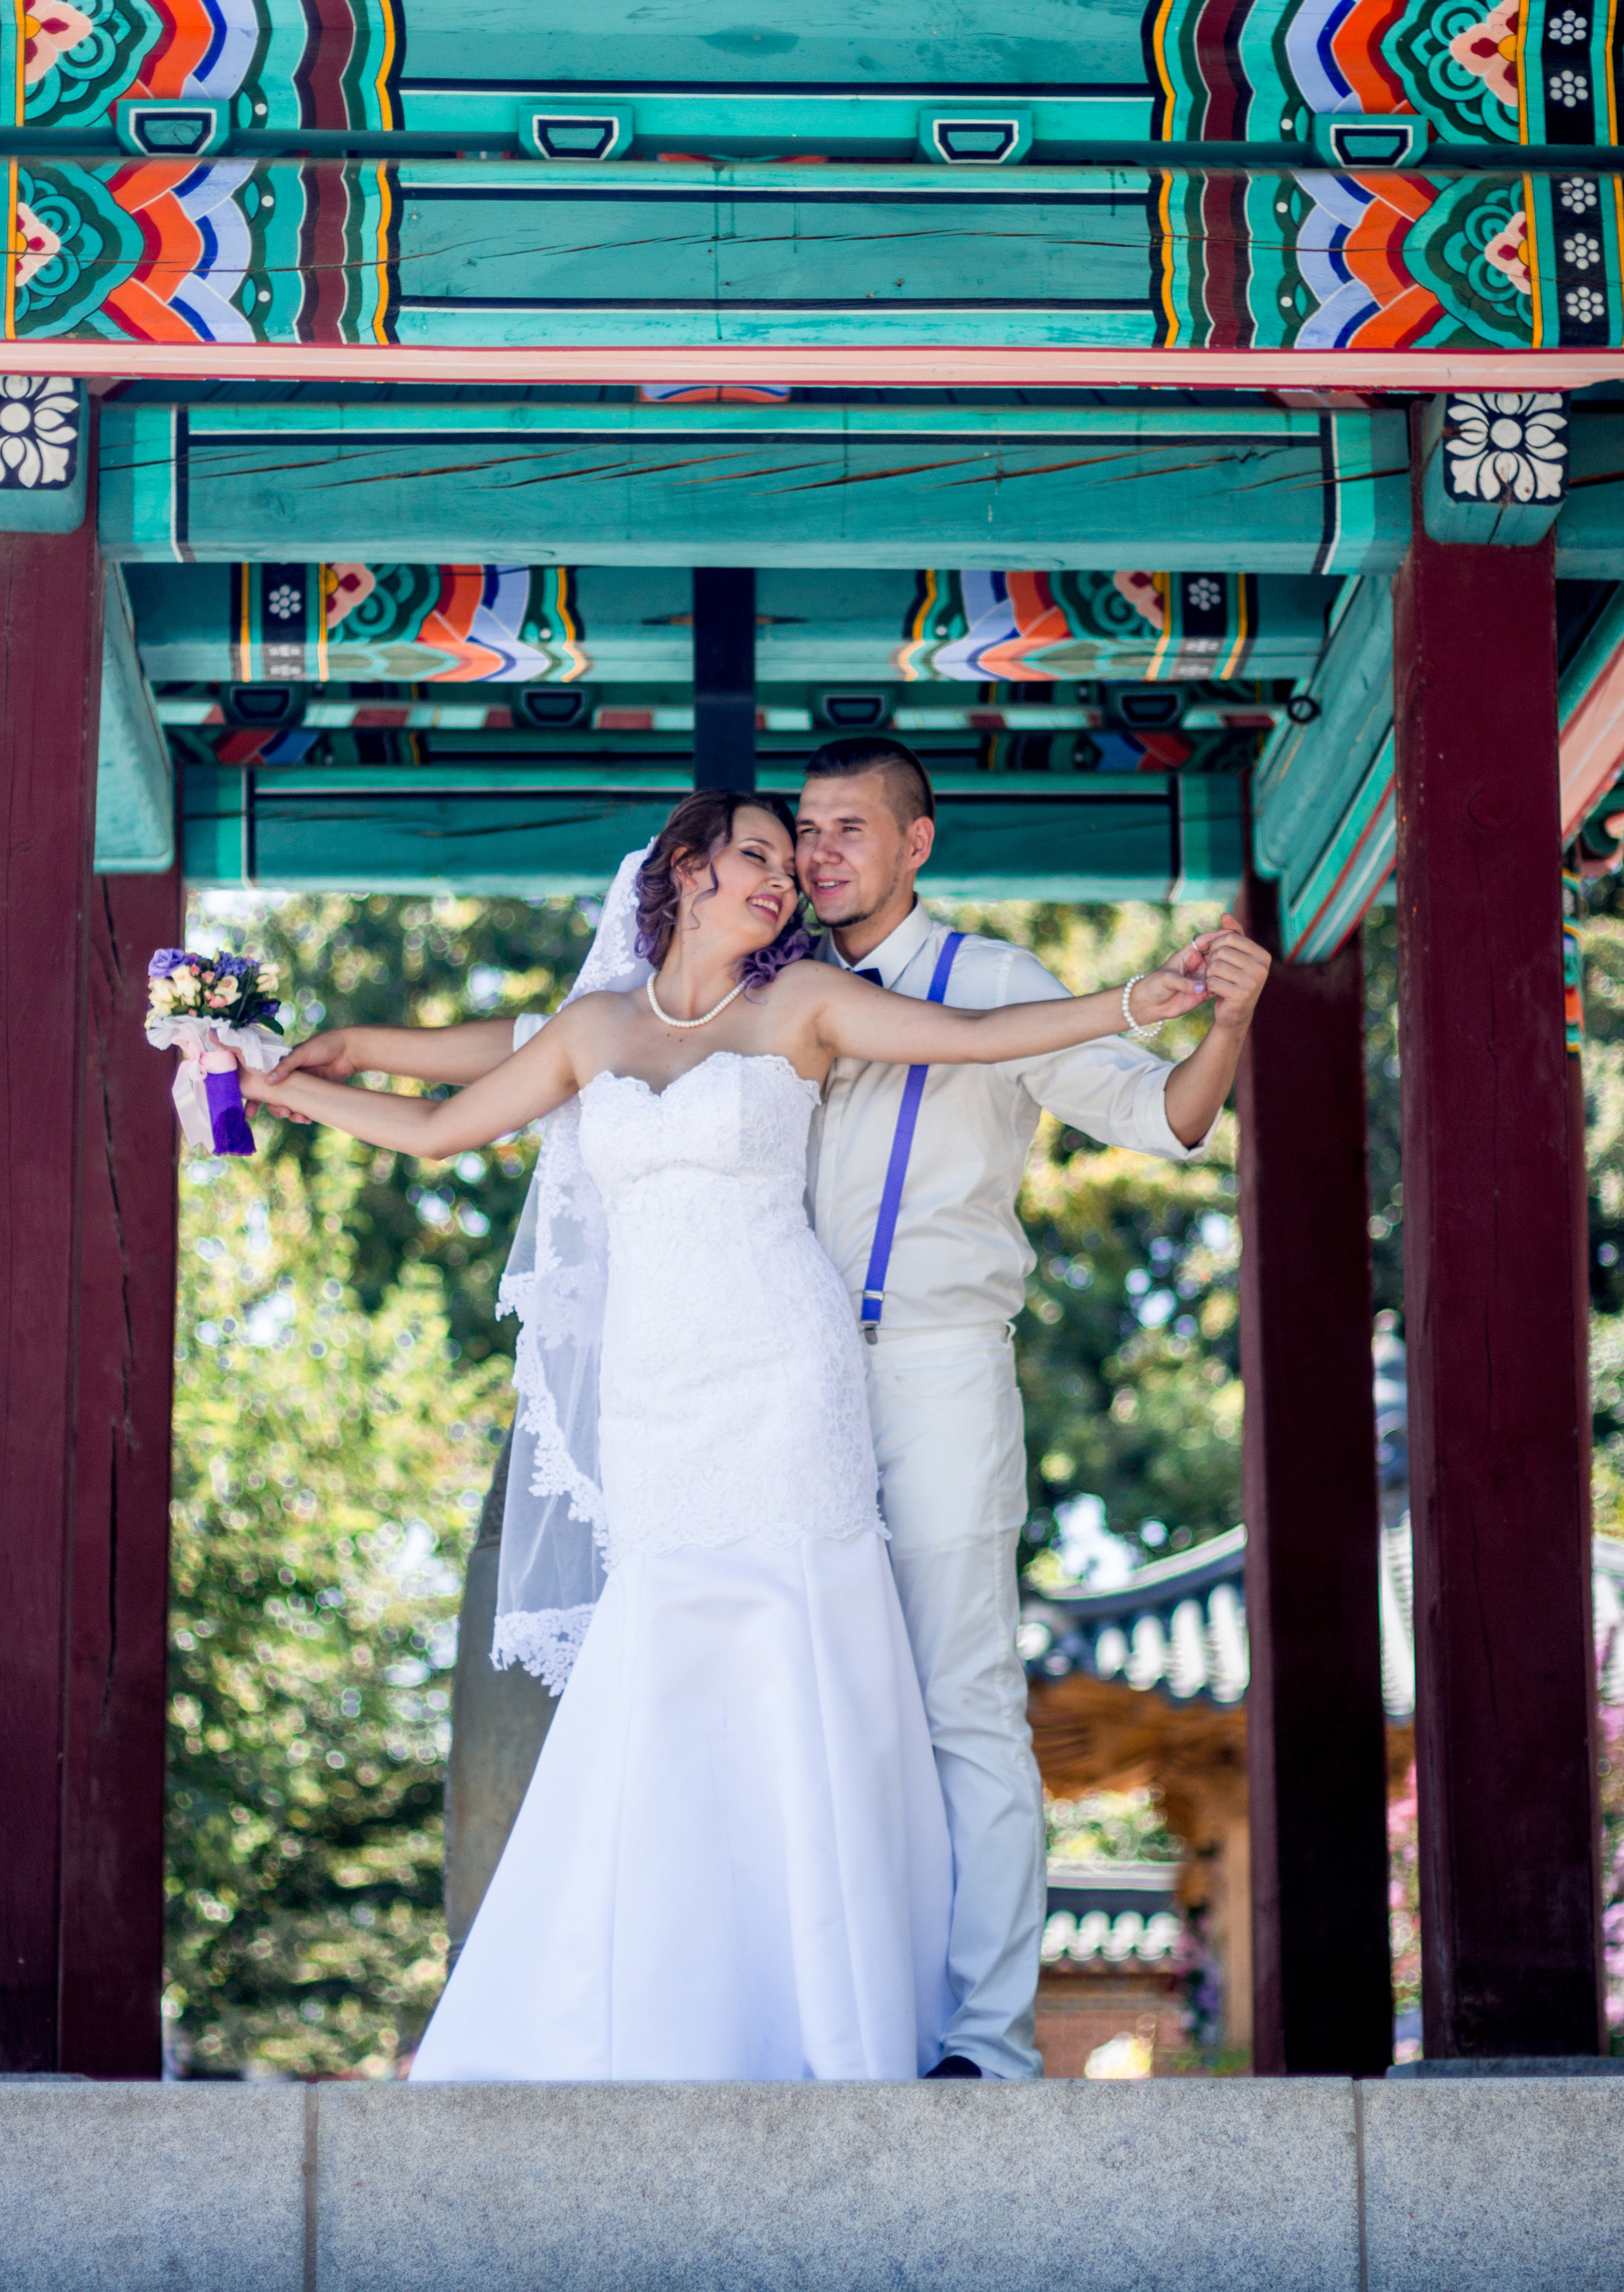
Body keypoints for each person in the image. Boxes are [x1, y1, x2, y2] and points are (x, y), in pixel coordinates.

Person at [239, 787, 1254, 2083]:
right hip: (659, 1397)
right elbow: (448, 1116)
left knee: (827, 1668)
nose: (789, 876)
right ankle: (667, 2004)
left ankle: (878, 2021)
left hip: (789, 1371)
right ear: (685, 869)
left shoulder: (806, 1005)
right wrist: (297, 1081)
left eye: (805, 851)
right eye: (764, 854)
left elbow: (979, 1032)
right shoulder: (595, 1026)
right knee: (662, 1670)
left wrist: (1134, 1004)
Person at [792, 735, 1269, 2079]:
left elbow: (1161, 1121)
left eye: (848, 828)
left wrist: (1222, 1021)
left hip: (936, 1367)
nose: (821, 852)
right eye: (806, 829)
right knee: (808, 1697)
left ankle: (988, 2044)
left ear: (913, 844)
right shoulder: (770, 987)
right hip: (785, 1387)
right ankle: (840, 2020)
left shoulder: (990, 982)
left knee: (963, 1707)